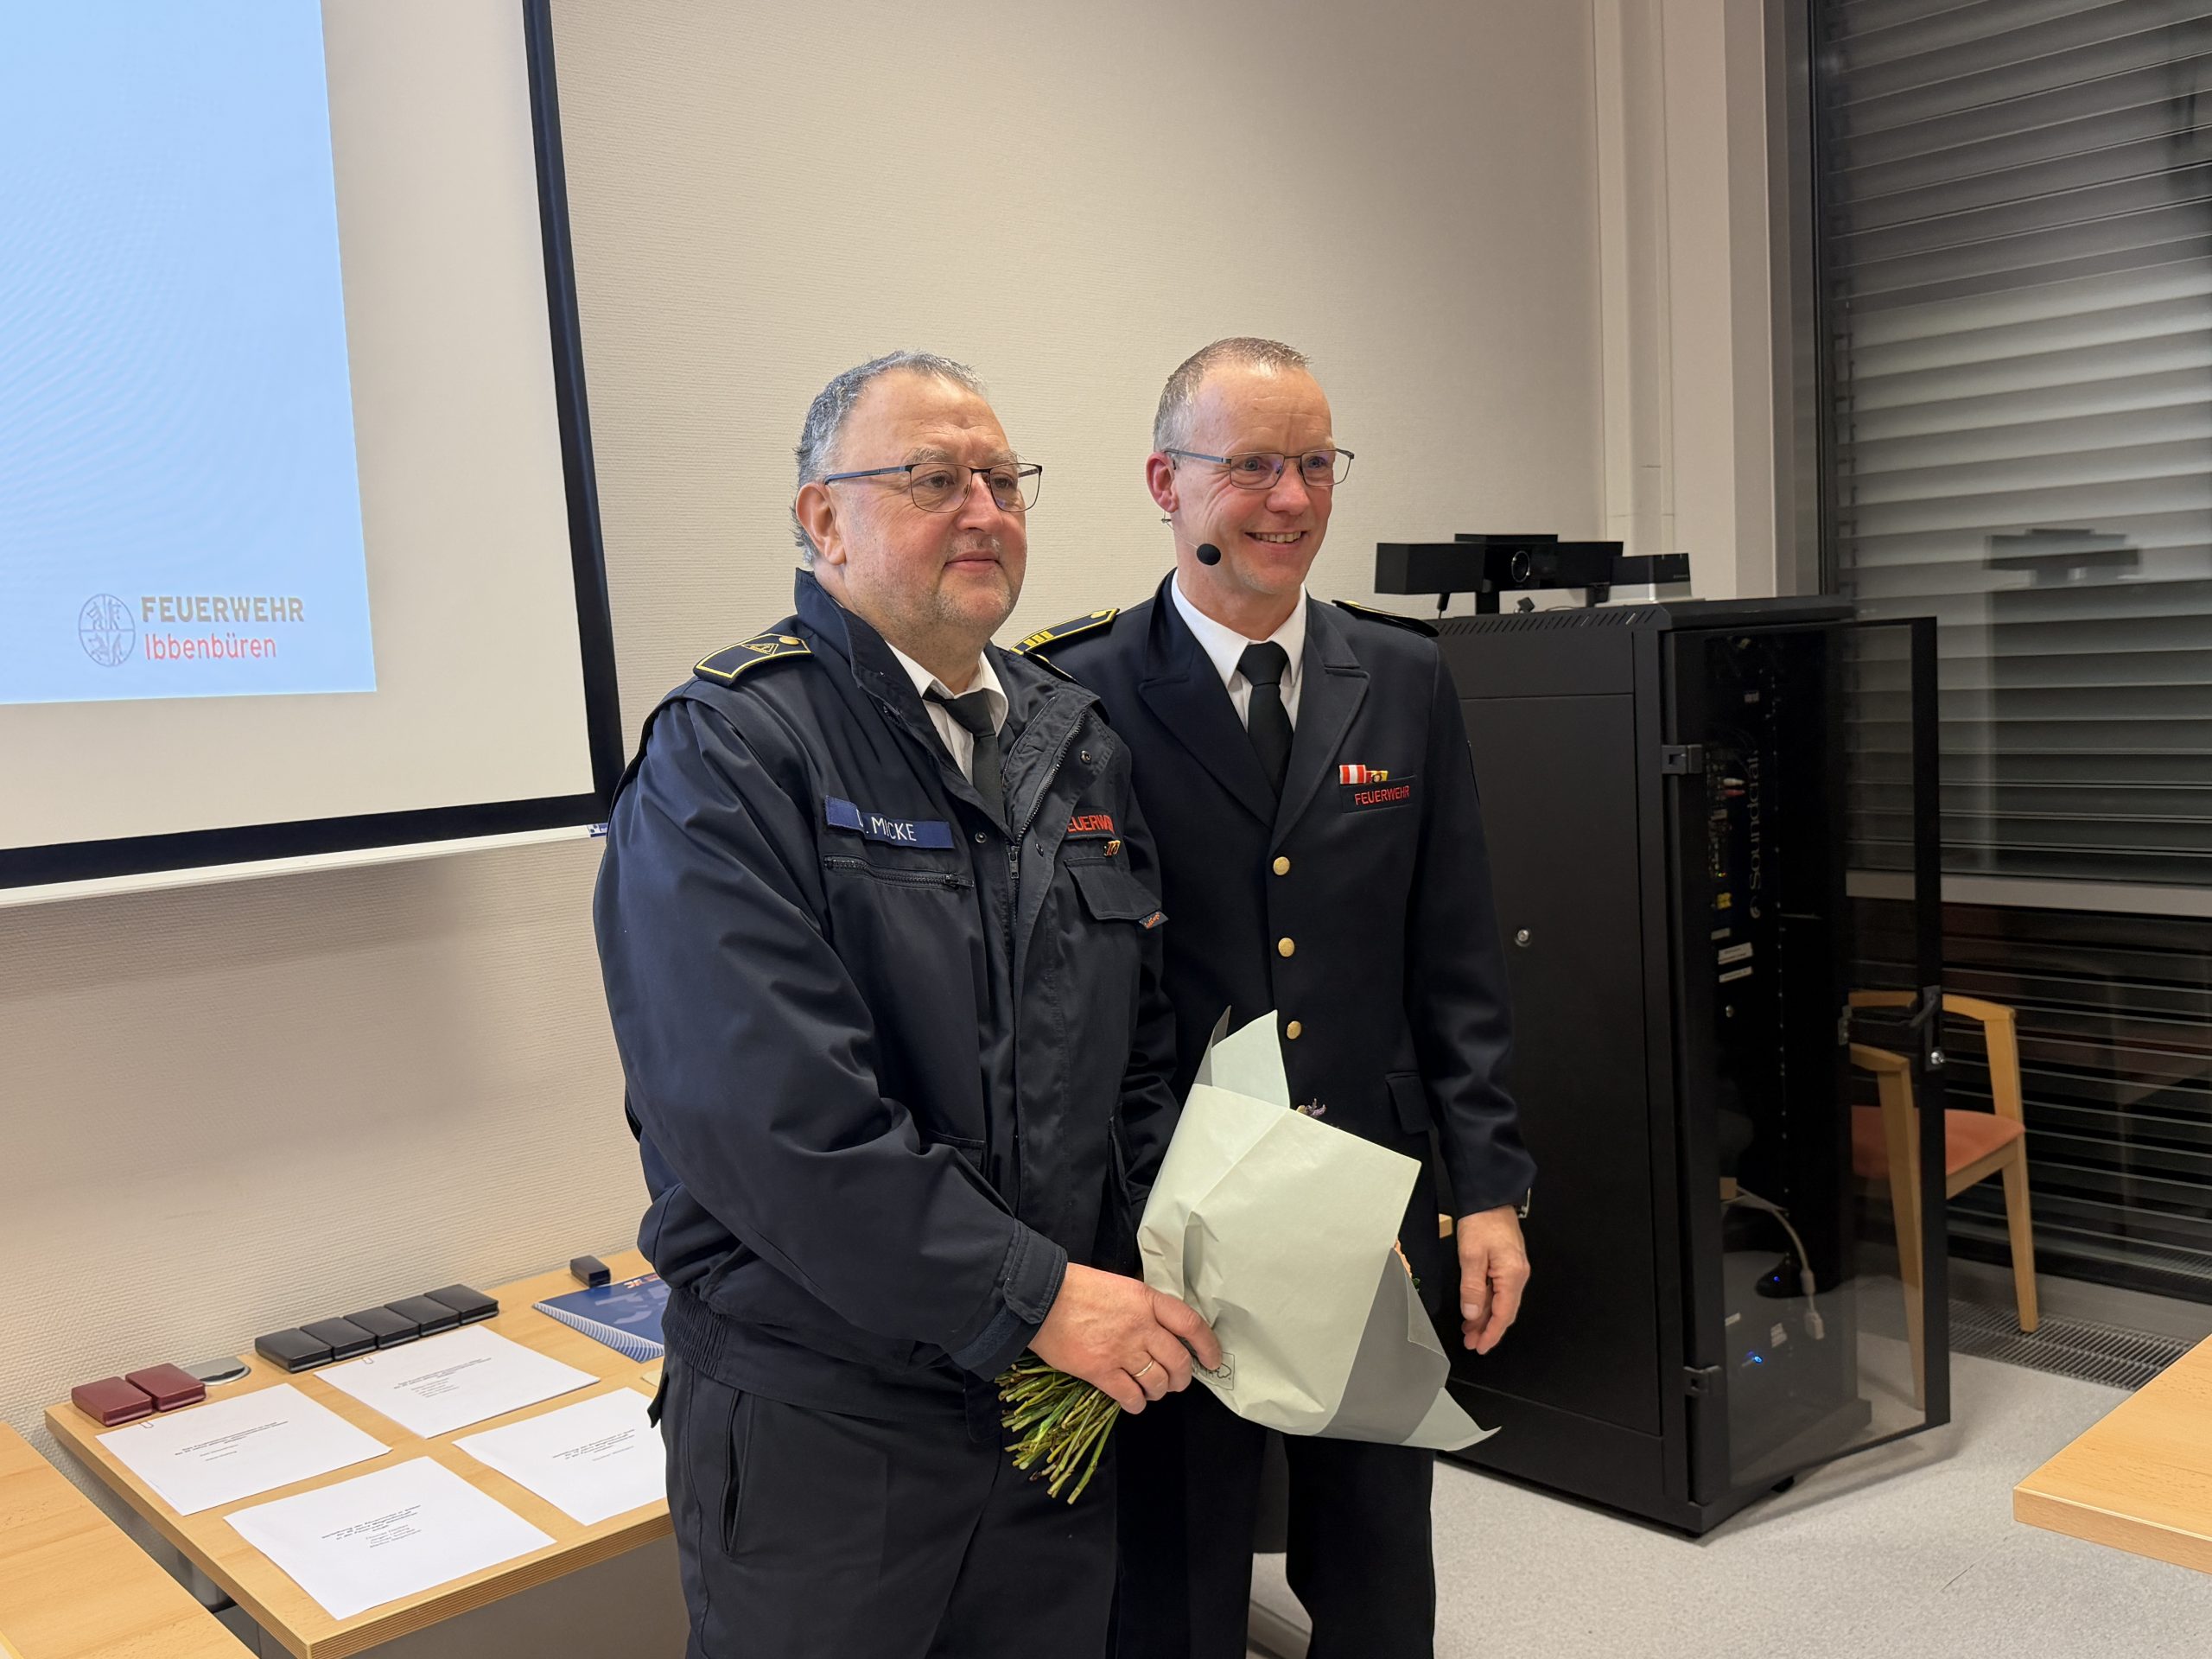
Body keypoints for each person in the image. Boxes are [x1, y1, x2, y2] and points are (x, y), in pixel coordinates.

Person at [594, 350, 1221, 1659]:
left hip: (1049, 1402)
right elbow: (775, 1126)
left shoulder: (1071, 740)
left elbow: (1135, 1068)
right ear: (823, 519)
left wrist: (1211, 1246)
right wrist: (1035, 1295)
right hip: (831, 1430)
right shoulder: (731, 750)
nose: (984, 511)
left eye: (1004, 481)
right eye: (936, 480)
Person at [1021, 337, 1535, 1659]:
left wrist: (1489, 1188)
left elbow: (1456, 957)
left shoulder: (1402, 677)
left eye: (1315, 463)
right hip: (1169, 1214)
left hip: (1370, 1196)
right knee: (1179, 1575)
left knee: (1378, 1566)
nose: (1292, 499)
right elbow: (1057, 996)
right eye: (1252, 464)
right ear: (1166, 482)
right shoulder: (1072, 692)